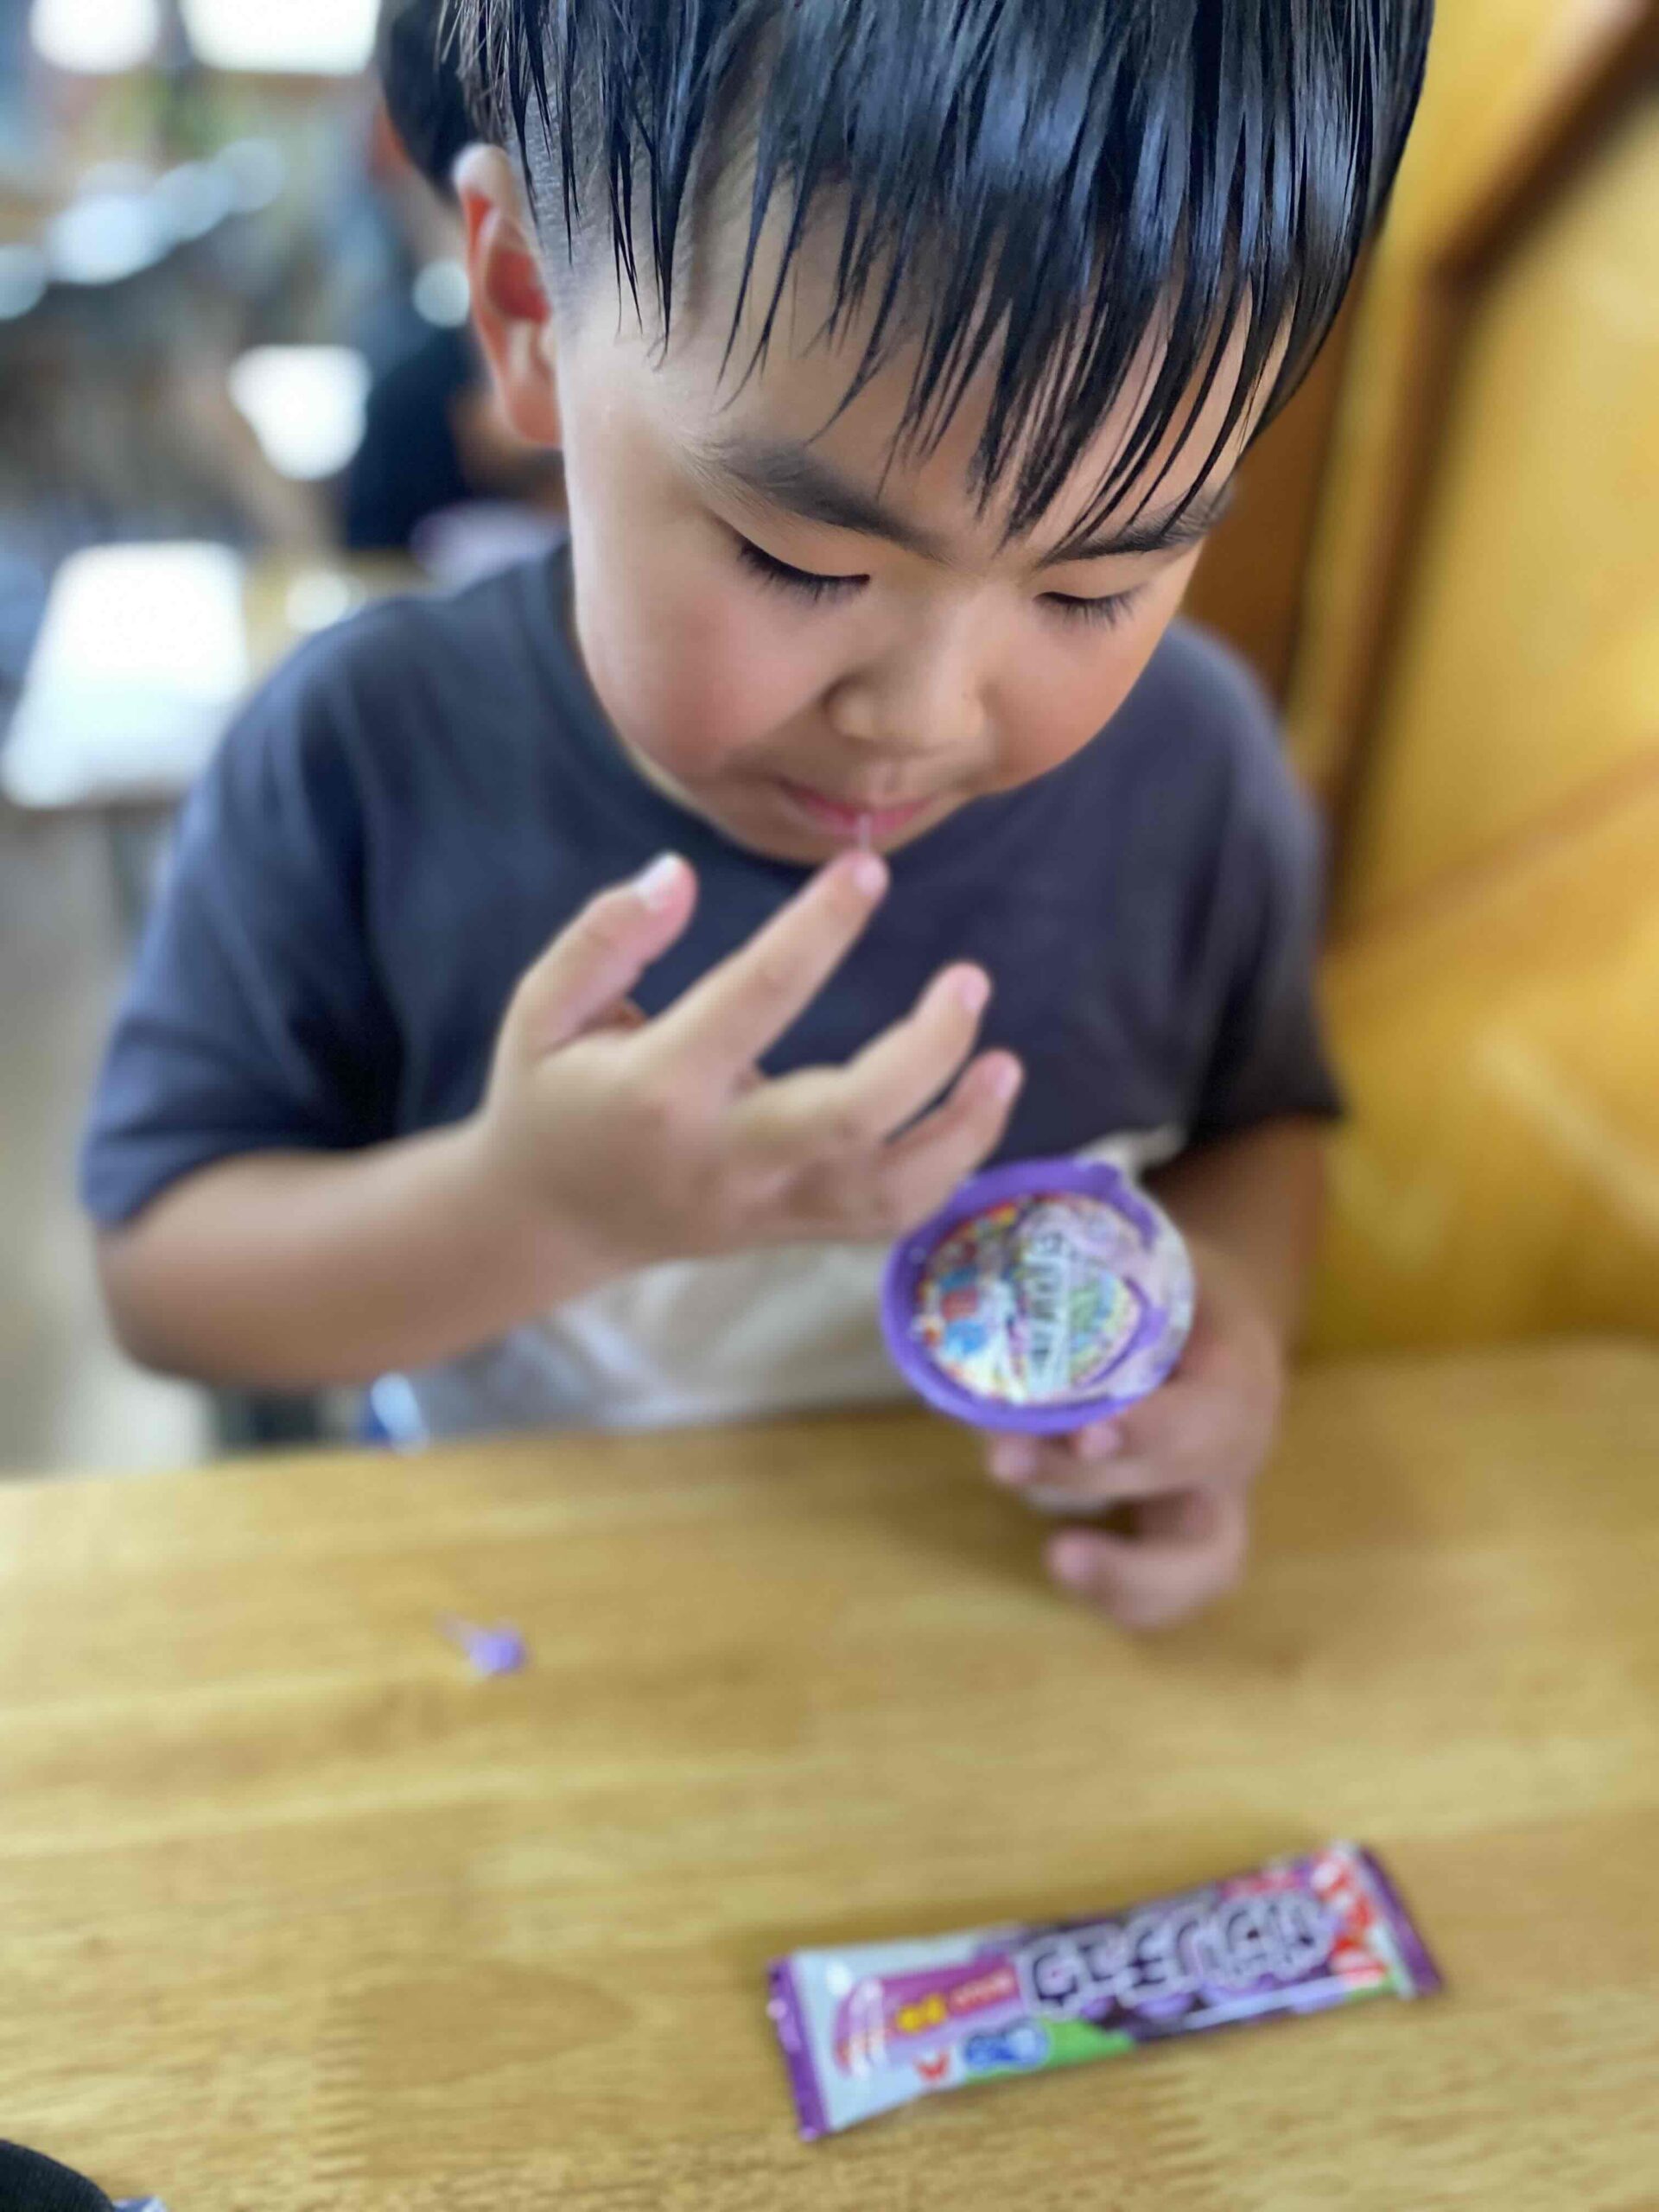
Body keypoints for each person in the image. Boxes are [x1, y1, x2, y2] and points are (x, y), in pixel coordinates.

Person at [82, 0, 1433, 1630]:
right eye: (805, 561)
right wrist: (536, 1210)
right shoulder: (361, 757)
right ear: (528, 305)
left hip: (984, 1633)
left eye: (1097, 584)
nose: (920, 716)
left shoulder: (1193, 772)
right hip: (512, 1641)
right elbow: (165, 1283)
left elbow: (1259, 1127)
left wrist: (1228, 1332)